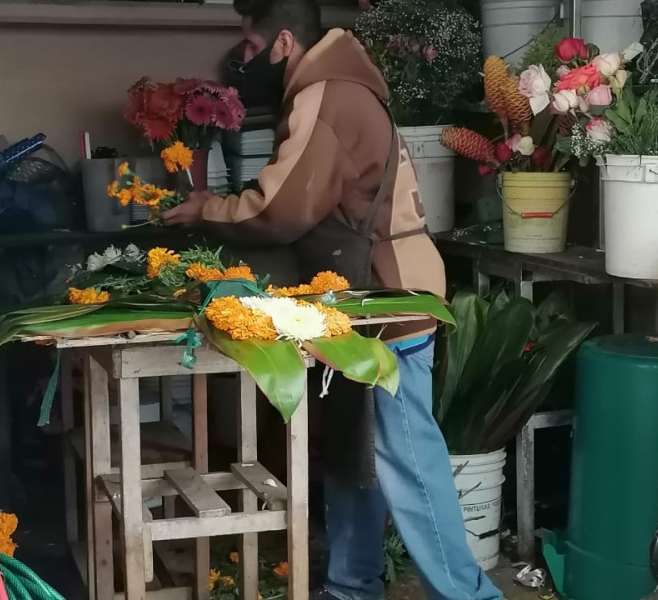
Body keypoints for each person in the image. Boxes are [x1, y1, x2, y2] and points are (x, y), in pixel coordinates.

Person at [162, 1, 503, 599]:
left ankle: (472, 596)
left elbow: (281, 207)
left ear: (285, 41)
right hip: (357, 297)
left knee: (405, 461)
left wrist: (208, 209)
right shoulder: (334, 84)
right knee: (353, 452)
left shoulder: (328, 92)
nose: (243, 61)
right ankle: (352, 586)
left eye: (249, 47)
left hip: (387, 299)